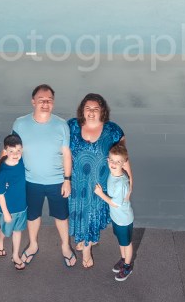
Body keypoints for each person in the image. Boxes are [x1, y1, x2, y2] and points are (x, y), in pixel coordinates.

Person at [13, 84, 76, 268]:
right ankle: (33, 245)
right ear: (33, 102)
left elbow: (66, 154)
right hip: (31, 181)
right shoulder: (20, 123)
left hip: (57, 181)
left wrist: (67, 180)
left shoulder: (61, 125)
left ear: (53, 103)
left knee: (62, 216)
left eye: (49, 100)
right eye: (41, 100)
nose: (45, 103)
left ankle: (65, 246)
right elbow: (12, 151)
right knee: (32, 216)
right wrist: (4, 175)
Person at [67, 93, 131, 269]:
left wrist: (130, 184)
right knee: (81, 216)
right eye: (88, 108)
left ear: (103, 110)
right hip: (77, 184)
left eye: (96, 109)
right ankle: (85, 239)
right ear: (82, 110)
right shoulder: (72, 126)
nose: (92, 112)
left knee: (90, 217)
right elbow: (61, 150)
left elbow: (123, 158)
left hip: (99, 187)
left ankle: (86, 253)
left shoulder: (112, 130)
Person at [94, 143, 135, 281]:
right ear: (108, 160)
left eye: (118, 162)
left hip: (124, 219)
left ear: (123, 164)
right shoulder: (113, 174)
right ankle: (124, 259)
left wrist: (100, 194)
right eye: (112, 160)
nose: (113, 163)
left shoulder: (121, 183)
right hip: (117, 218)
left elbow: (115, 203)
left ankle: (128, 266)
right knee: (121, 242)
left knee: (127, 243)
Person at [0, 133, 28, 270]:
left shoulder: (21, 163)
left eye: (19, 150)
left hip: (22, 207)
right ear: (5, 151)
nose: (16, 154)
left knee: (18, 231)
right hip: (8, 210)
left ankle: (15, 255)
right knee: (6, 231)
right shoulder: (3, 172)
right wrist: (6, 213)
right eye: (11, 151)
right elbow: (0, 194)